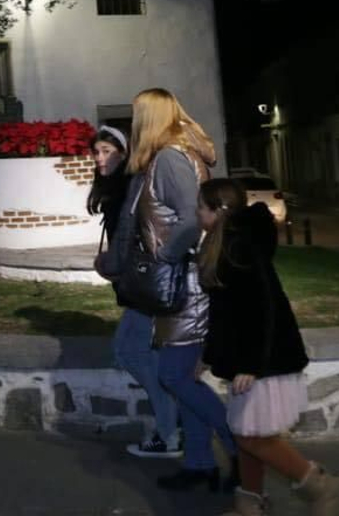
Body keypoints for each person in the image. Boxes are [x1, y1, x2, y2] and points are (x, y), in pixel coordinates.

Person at [109, 87, 237, 492]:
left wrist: (165, 258)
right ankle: (200, 464)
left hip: (185, 283)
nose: (133, 124)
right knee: (180, 374)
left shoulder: (169, 158)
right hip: (184, 280)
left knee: (173, 375)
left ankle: (239, 447)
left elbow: (189, 220)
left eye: (137, 115)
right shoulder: (178, 154)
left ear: (150, 118)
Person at [198, 178, 339, 516]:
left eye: (200, 208)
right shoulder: (225, 242)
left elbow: (260, 308)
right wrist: (208, 356)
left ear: (217, 211)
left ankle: (321, 486)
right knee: (246, 433)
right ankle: (250, 504)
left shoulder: (240, 247)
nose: (196, 213)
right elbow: (224, 313)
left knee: (254, 437)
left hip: (264, 358)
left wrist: (251, 364)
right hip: (249, 357)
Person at [89, 125, 182, 460]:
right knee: (138, 353)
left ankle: (170, 432)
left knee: (132, 353)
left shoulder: (131, 185)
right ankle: (174, 423)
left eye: (107, 151)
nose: (100, 158)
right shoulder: (117, 188)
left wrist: (107, 264)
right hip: (137, 286)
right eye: (96, 152)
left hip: (142, 285)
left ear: (124, 152)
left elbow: (128, 238)